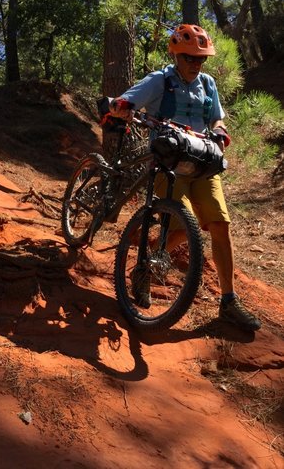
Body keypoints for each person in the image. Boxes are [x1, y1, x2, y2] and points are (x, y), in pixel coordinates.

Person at [109, 24, 261, 331]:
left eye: (201, 59)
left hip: (203, 159)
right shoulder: (159, 81)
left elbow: (216, 116)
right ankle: (144, 267)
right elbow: (128, 100)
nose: (196, 64)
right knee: (181, 223)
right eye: (190, 57)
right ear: (176, 54)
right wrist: (121, 107)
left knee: (219, 225)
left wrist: (219, 129)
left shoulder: (207, 82)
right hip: (168, 160)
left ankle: (229, 301)